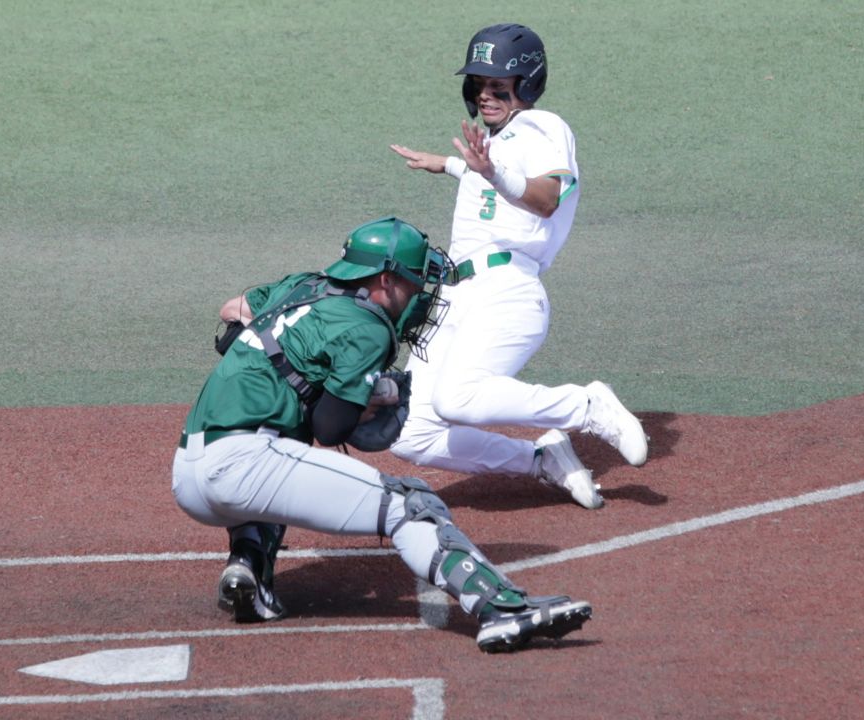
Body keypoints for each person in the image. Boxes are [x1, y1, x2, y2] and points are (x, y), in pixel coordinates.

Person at [171, 216, 592, 652]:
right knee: (413, 504)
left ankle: (249, 566)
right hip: (244, 466)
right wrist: (370, 396)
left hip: (189, 472)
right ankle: (499, 610)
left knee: (286, 450)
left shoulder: (301, 286)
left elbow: (232, 309)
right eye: (414, 284)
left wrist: (286, 362)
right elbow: (330, 427)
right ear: (386, 280)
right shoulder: (368, 327)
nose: (421, 298)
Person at [388, 23, 648, 510]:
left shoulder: (543, 127)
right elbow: (490, 175)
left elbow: (547, 197)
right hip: (453, 297)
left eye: (498, 86)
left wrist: (487, 170)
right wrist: (446, 163)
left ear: (526, 85)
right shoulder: (498, 144)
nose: (485, 95)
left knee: (456, 400)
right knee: (407, 431)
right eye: (477, 85)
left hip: (507, 291)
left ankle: (586, 406)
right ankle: (541, 459)